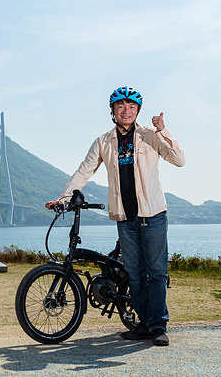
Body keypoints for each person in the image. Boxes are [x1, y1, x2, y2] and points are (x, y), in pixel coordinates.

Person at [45, 86, 185, 347]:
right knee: (135, 273)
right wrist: (64, 198)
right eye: (121, 106)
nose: (126, 110)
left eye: (132, 107)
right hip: (125, 218)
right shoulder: (103, 141)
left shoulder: (150, 136)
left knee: (155, 272)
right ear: (112, 110)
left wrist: (163, 130)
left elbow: (179, 160)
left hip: (153, 214)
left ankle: (158, 326)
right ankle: (143, 324)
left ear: (138, 111)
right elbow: (83, 171)